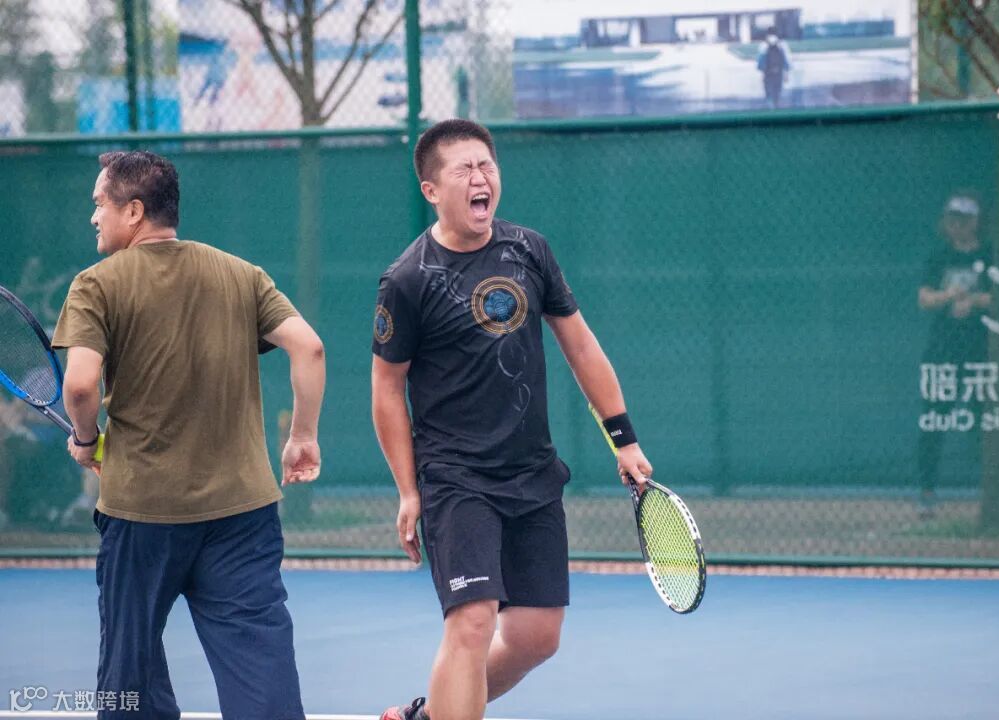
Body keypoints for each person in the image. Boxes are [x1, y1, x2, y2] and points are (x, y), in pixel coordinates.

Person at [371, 119, 653, 720]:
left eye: (487, 166)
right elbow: (387, 389)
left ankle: (429, 715)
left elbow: (581, 346)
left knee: (536, 636)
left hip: (532, 473)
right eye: (464, 169)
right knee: (472, 623)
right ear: (431, 190)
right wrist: (408, 491)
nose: (481, 178)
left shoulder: (529, 249)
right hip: (456, 478)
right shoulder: (407, 279)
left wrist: (623, 439)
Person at [53, 150, 325, 719]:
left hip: (142, 515)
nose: (93, 216)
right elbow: (309, 347)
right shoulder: (242, 274)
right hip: (243, 514)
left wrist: (84, 438)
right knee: (261, 668)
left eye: (100, 204)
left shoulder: (95, 285)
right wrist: (303, 435)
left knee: (130, 673)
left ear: (134, 211)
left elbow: (79, 385)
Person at [916, 192, 992, 517]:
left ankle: (992, 492)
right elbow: (924, 299)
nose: (957, 225)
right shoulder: (938, 257)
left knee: (987, 422)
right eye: (952, 219)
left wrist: (973, 301)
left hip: (980, 351)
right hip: (942, 352)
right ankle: (927, 492)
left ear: (976, 221)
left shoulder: (990, 255)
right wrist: (950, 295)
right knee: (933, 420)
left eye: (964, 219)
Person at [756, 27, 791, 109]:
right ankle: (776, 106)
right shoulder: (783, 45)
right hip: (779, 72)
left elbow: (760, 62)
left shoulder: (763, 45)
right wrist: (786, 73)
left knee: (768, 92)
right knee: (777, 91)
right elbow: (786, 60)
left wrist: (762, 74)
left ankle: (770, 107)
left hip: (768, 72)